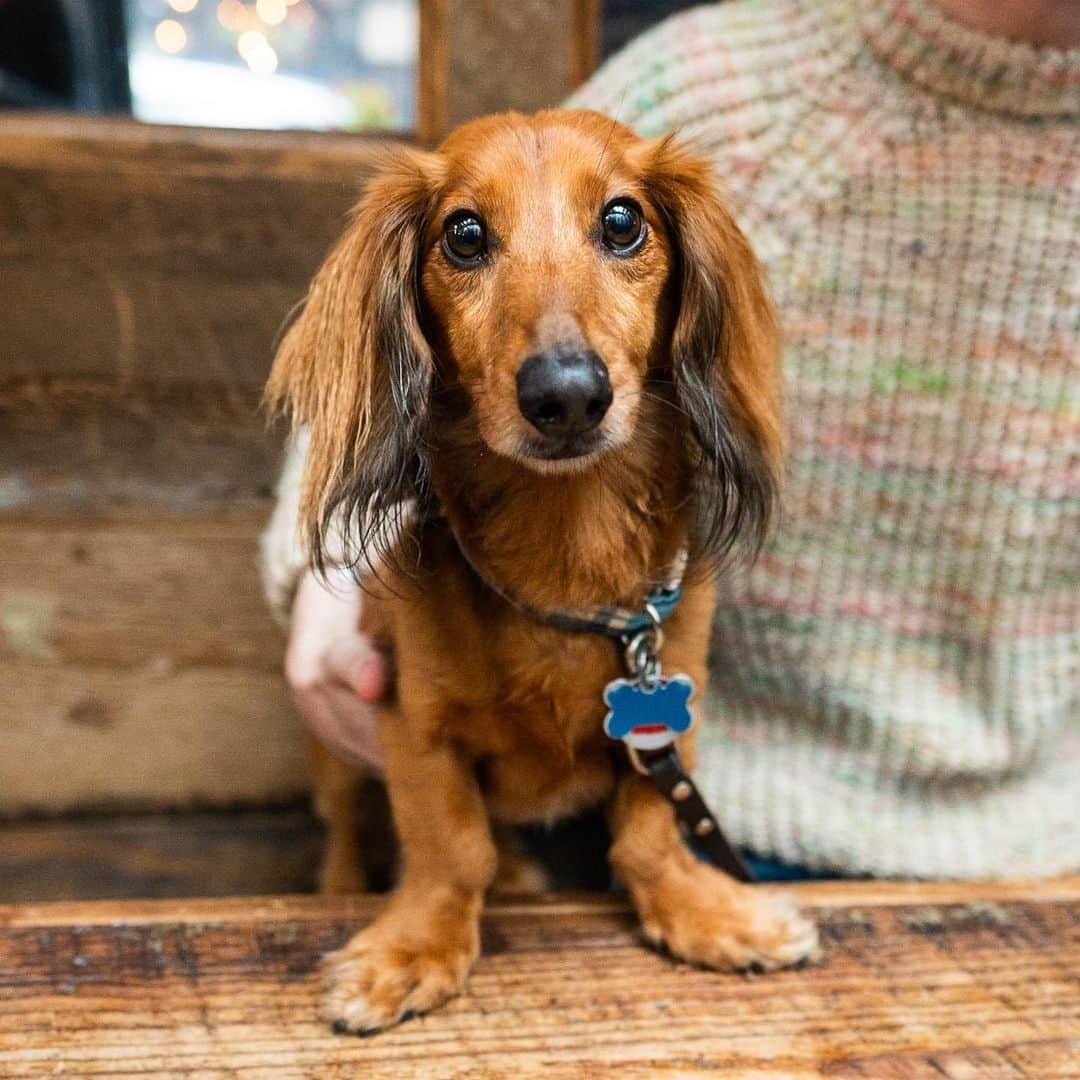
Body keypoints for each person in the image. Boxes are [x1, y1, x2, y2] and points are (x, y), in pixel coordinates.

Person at [261, 0, 1079, 879]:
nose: (567, 382)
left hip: (1050, 830)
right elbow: (358, 386)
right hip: (736, 824)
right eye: (468, 238)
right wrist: (330, 569)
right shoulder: (718, 80)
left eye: (620, 230)